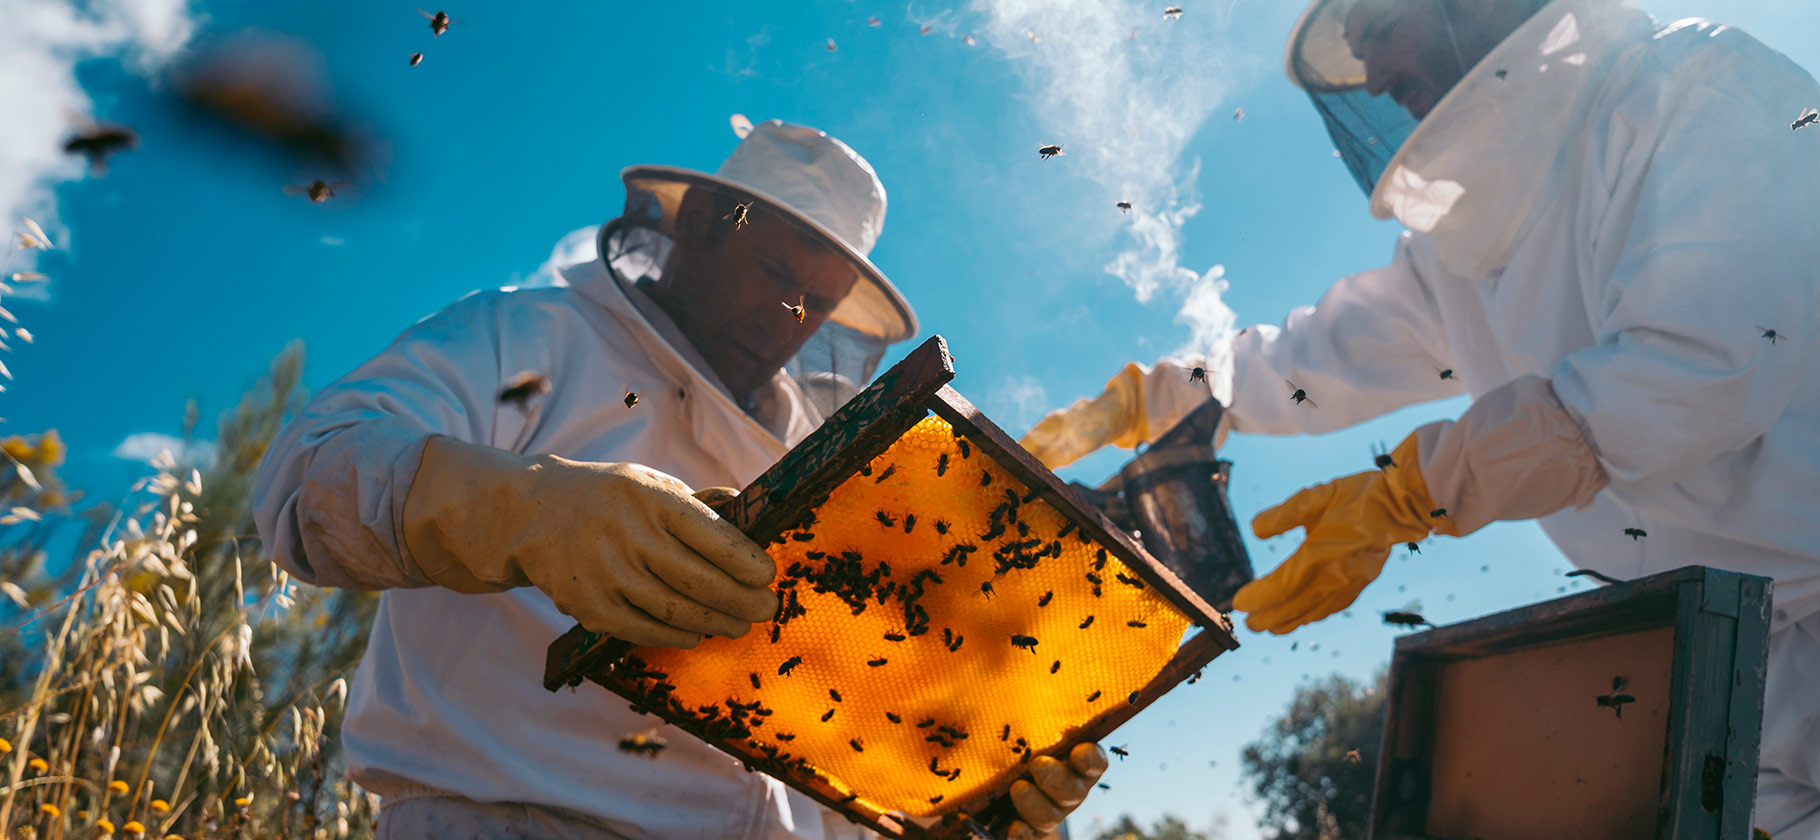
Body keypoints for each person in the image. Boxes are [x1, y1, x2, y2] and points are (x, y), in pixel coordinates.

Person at [1019, 0, 1820, 835]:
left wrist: (1422, 489)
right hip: (1720, 671)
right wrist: (1170, 395)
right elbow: (1317, 357)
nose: (1368, 73)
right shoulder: (1460, 250)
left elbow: (1695, 368)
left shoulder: (1698, 87)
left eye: (1377, 28)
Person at [254, 120, 1104, 840]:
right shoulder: (529, 335)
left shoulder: (823, 453)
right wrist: (523, 511)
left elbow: (842, 719)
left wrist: (976, 797)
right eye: (775, 273)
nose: (789, 319)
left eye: (817, 300)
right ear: (699, 222)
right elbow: (308, 474)